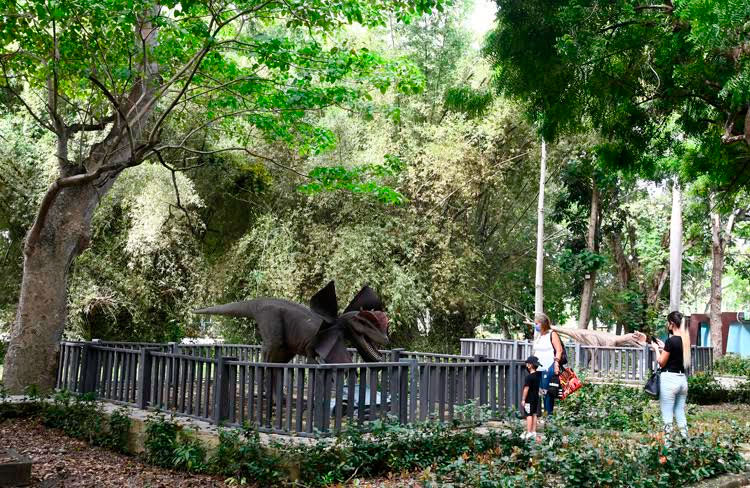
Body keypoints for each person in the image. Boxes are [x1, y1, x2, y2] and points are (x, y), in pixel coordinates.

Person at [650, 310, 691, 438]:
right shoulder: (685, 341)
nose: (667, 325)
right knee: (679, 412)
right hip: (682, 381)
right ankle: (687, 442)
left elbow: (661, 362)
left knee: (667, 415)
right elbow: (675, 355)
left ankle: (668, 448)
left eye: (668, 323)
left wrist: (656, 349)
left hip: (669, 381)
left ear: (672, 323)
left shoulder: (671, 341)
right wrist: (664, 347)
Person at [532, 312, 564, 415]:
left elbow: (559, 350)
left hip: (548, 366)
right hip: (538, 367)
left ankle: (548, 415)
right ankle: (541, 414)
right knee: (540, 391)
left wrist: (556, 363)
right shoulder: (539, 336)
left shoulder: (552, 333)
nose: (535, 325)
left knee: (548, 391)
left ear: (543, 323)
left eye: (537, 323)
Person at [521, 355, 542, 440]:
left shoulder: (529, 377)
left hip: (529, 398)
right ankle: (533, 431)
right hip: (536, 397)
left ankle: (528, 432)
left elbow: (526, 388)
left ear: (530, 365)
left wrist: (523, 399)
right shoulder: (538, 375)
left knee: (528, 415)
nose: (526, 365)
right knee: (534, 414)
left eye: (527, 364)